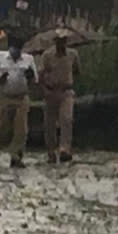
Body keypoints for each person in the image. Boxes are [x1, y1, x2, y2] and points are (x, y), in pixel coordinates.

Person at [0, 36, 38, 168]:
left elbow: (34, 82)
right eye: (14, 49)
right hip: (5, 96)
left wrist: (30, 76)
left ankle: (16, 155)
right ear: (9, 48)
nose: (16, 52)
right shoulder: (0, 57)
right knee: (0, 125)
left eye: (18, 49)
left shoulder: (28, 59)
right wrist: (0, 79)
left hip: (21, 97)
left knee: (21, 128)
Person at [40, 29, 80, 163]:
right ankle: (51, 151)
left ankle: (64, 149)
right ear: (55, 42)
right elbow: (41, 74)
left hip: (66, 91)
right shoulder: (47, 55)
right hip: (51, 91)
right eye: (59, 41)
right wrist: (44, 89)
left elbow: (77, 71)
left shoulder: (73, 54)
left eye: (64, 41)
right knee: (49, 124)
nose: (61, 44)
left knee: (67, 119)